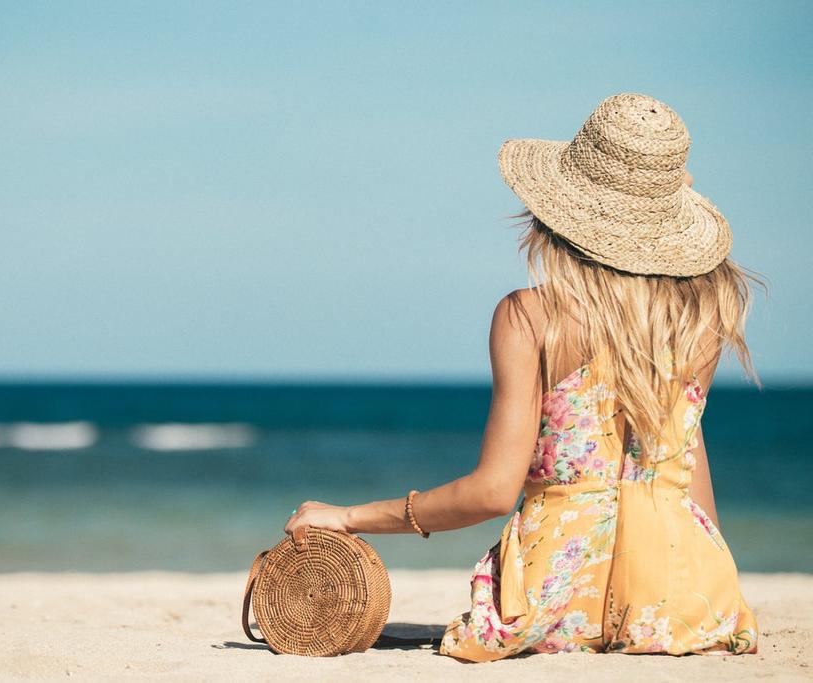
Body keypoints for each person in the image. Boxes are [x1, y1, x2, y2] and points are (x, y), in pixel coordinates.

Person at [283, 92, 762, 661]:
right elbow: (685, 467)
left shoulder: (532, 317)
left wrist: (348, 516)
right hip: (688, 594)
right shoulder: (700, 320)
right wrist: (710, 581)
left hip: (558, 596)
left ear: (558, 211)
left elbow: (492, 492)